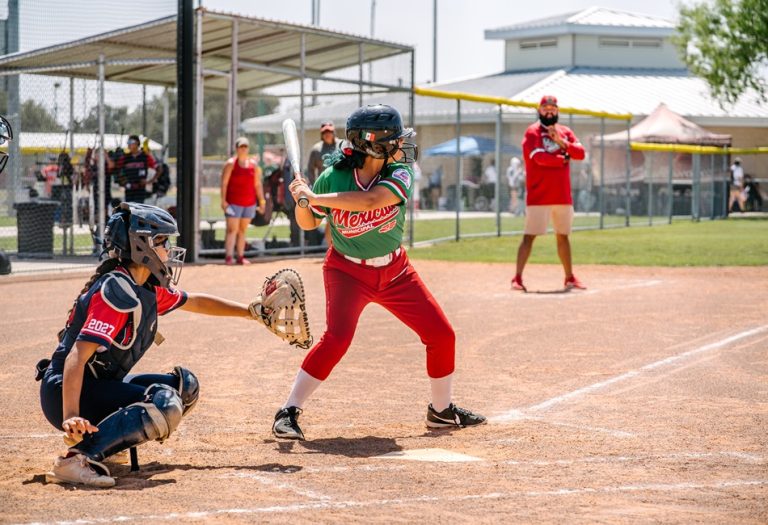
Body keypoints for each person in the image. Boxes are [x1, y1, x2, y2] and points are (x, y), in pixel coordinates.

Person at [274, 104, 486, 441]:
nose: (402, 144)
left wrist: (316, 196)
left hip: (396, 271)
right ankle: (289, 410)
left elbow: (373, 201)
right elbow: (308, 222)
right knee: (338, 339)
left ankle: (441, 412)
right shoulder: (334, 177)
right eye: (395, 138)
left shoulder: (400, 171)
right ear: (375, 143)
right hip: (347, 271)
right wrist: (301, 201)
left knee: (442, 335)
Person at [36, 202, 277, 488]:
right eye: (162, 242)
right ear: (141, 247)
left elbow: (195, 300)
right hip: (66, 391)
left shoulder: (142, 286)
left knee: (184, 387)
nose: (168, 251)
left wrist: (251, 312)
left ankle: (105, 443)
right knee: (164, 403)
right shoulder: (116, 292)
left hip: (94, 384)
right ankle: (77, 459)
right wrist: (71, 416)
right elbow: (77, 355)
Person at [512, 95, 586, 292]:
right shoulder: (533, 132)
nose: (550, 111)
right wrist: (563, 159)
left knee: (563, 236)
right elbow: (538, 158)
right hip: (539, 195)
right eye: (546, 108)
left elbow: (580, 153)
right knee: (529, 237)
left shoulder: (565, 132)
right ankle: (517, 278)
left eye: (553, 108)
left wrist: (561, 142)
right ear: (539, 110)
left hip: (562, 195)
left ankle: (569, 278)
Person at [220, 137, 266, 265]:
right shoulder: (230, 164)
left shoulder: (253, 165)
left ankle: (240, 256)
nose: (243, 149)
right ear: (236, 148)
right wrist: (223, 201)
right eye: (241, 146)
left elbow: (257, 185)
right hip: (233, 202)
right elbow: (224, 183)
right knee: (232, 230)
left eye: (245, 146)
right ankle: (229, 257)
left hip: (249, 203)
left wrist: (262, 201)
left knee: (242, 230)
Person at [110, 135, 156, 204]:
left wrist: (149, 181)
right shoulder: (125, 157)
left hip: (141, 190)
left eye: (130, 142)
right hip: (129, 189)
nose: (128, 144)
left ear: (137, 143)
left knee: (139, 209)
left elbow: (158, 168)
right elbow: (115, 169)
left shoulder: (145, 157)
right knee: (130, 209)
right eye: (128, 142)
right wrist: (122, 181)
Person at [306, 121, 343, 186]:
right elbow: (310, 170)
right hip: (324, 185)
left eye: (329, 131)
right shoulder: (316, 149)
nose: (327, 134)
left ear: (334, 132)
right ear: (321, 134)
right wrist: (314, 185)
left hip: (341, 183)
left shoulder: (342, 145)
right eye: (324, 132)